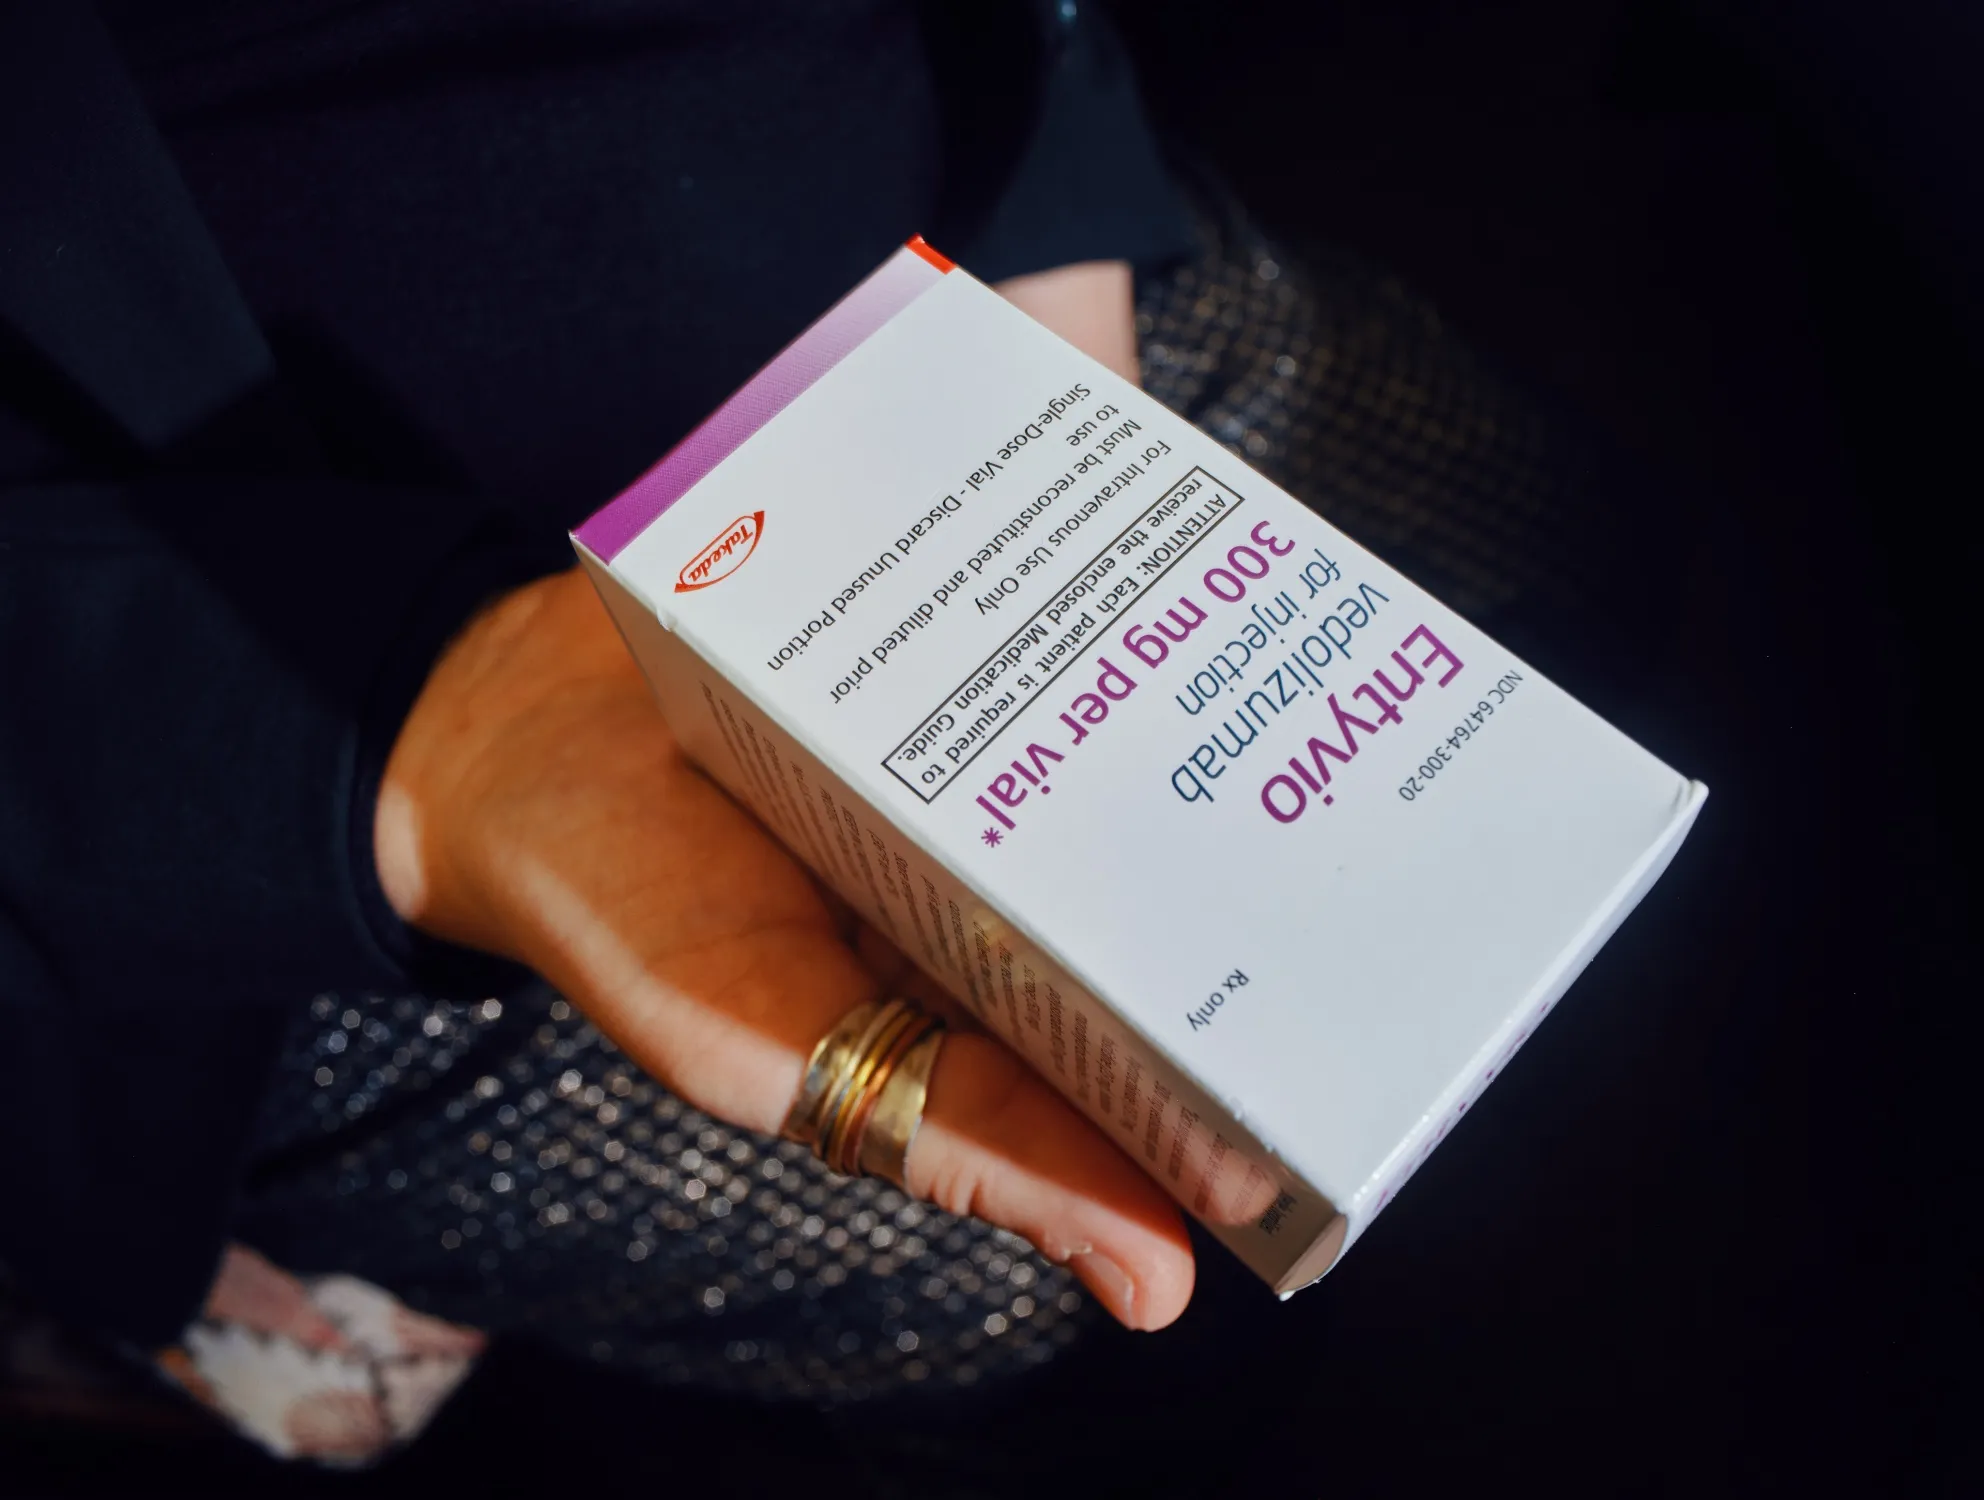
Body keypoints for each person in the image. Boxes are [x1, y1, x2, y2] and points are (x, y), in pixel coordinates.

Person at [0, 0, 1205, 1461]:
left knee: (1470, 530)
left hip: (956, 296)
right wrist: (413, 742)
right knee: (1006, 1288)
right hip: (253, 713)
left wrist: (1054, 220)